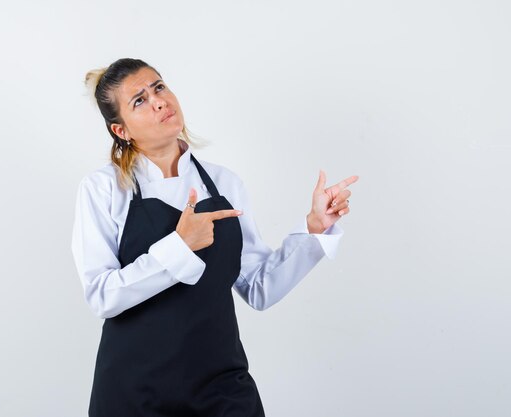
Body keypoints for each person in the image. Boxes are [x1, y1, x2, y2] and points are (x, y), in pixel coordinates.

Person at [71, 58, 358, 417]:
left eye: (159, 87)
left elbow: (258, 287)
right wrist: (180, 246)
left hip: (220, 388)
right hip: (133, 391)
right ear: (121, 131)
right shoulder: (102, 189)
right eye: (139, 100)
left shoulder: (224, 183)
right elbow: (102, 295)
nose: (159, 101)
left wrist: (315, 228)